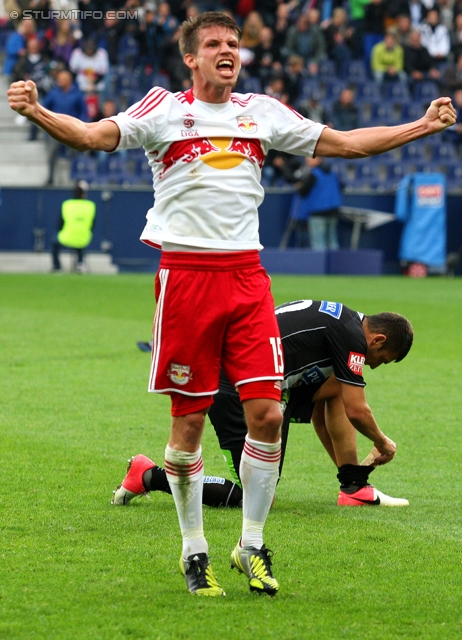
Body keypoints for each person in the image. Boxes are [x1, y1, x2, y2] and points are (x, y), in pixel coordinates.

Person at [8, 11, 456, 599]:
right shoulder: (162, 110)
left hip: (248, 279)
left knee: (267, 415)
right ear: (190, 58)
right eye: (214, 44)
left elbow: (345, 144)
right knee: (188, 423)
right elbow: (92, 135)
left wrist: (421, 126)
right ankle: (194, 550)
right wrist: (38, 112)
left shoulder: (263, 111)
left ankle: (251, 544)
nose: (227, 51)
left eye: (234, 43)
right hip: (187, 279)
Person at [126, 300, 413, 508]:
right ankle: (150, 475)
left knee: (338, 388)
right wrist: (383, 442)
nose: (375, 366)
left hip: (268, 384)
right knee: (256, 497)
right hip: (232, 384)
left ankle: (354, 488)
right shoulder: (350, 337)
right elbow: (357, 410)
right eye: (382, 359)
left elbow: (324, 415)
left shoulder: (346, 322)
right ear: (378, 340)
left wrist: (350, 472)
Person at [51, 181, 96, 273]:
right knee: (79, 243)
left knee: (54, 242)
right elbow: (93, 223)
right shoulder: (90, 205)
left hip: (67, 237)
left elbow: (60, 223)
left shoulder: (67, 204)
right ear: (83, 195)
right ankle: (80, 263)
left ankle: (57, 266)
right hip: (84, 238)